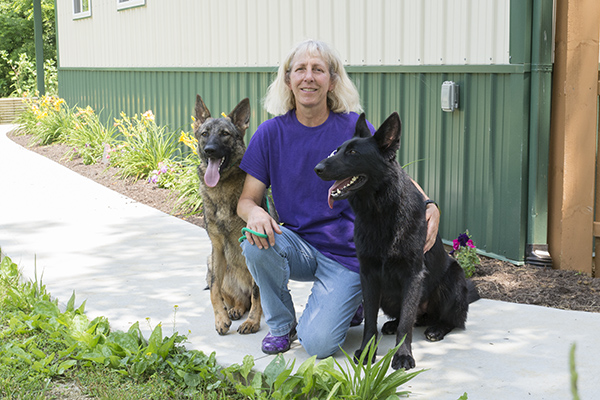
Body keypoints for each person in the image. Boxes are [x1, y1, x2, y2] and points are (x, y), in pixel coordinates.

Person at [237, 39, 440, 358]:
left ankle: (351, 301)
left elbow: (391, 171)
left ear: (332, 80)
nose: (308, 77)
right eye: (300, 69)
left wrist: (429, 204)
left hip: (348, 253)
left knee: (317, 344)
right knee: (253, 240)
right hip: (299, 244)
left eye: (318, 69)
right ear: (288, 80)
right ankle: (281, 325)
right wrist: (255, 214)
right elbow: (247, 199)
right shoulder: (269, 134)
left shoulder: (351, 127)